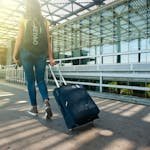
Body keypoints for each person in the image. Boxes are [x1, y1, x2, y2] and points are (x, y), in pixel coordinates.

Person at [13, 0, 55, 119]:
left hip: (26, 53)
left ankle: (34, 108)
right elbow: (48, 40)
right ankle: (46, 102)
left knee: (30, 81)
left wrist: (14, 55)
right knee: (40, 80)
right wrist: (51, 57)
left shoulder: (23, 19)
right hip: (41, 54)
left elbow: (19, 38)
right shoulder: (45, 21)